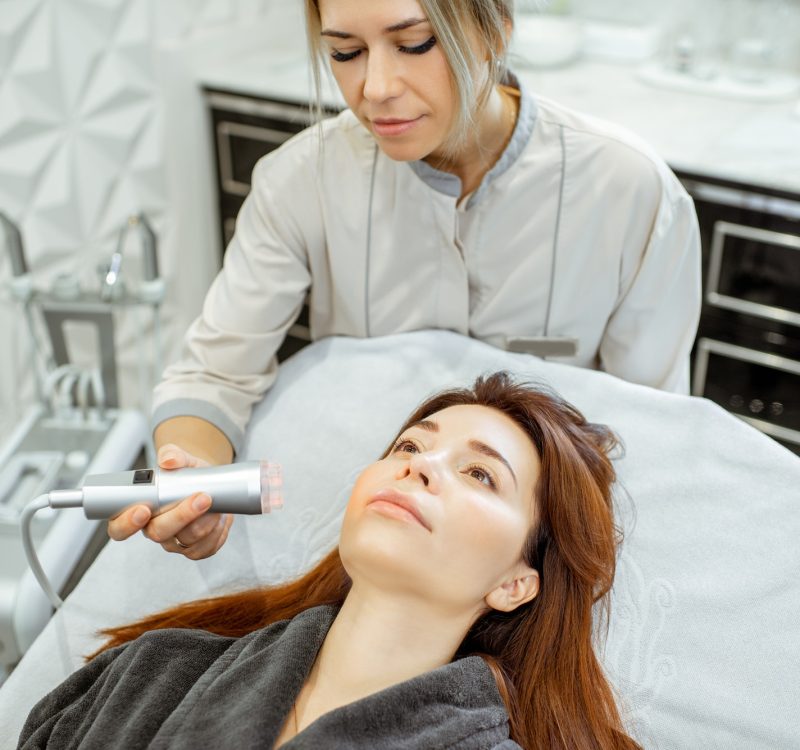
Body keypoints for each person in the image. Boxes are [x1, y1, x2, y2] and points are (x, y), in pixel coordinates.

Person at [109, 0, 700, 558]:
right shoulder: (300, 181)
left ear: (496, 26)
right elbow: (215, 373)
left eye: (416, 44)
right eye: (345, 53)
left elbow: (652, 427)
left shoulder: (631, 193)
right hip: (363, 524)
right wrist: (189, 476)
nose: (377, 89)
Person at [19, 373, 640, 749]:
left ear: (514, 584)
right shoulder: (149, 673)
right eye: (409, 444)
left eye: (479, 473)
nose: (419, 464)